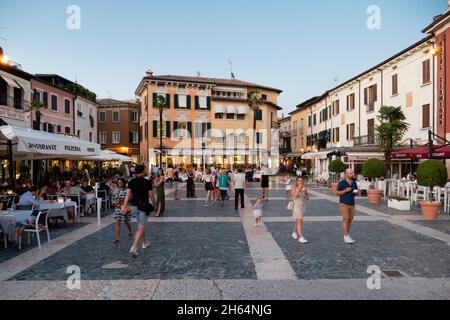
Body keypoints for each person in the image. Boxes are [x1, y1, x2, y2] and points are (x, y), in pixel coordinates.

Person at [121, 165, 154, 257]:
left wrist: (124, 205)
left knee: (140, 226)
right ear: (143, 171)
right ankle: (134, 247)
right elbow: (151, 195)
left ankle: (144, 243)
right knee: (141, 227)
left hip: (134, 207)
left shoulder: (131, 182)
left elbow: (127, 195)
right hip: (143, 207)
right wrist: (154, 204)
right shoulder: (147, 182)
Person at [336, 168, 358, 244]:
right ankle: (345, 236)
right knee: (346, 219)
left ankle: (347, 235)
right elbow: (337, 193)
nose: (352, 174)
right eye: (350, 173)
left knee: (350, 220)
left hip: (352, 203)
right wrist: (345, 190)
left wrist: (356, 192)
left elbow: (356, 191)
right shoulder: (341, 183)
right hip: (344, 203)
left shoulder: (354, 182)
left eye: (352, 173)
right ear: (346, 174)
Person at [112, 178, 132, 244]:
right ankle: (117, 239)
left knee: (126, 221)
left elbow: (130, 199)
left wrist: (124, 203)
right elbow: (113, 200)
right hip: (118, 208)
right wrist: (115, 202)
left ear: (124, 183)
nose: (119, 184)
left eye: (120, 182)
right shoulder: (115, 190)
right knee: (118, 222)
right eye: (118, 182)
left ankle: (130, 231)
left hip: (125, 208)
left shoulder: (127, 190)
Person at [291, 177, 309, 244]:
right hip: (296, 206)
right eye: (299, 180)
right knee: (300, 221)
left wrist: (306, 193)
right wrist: (299, 188)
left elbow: (307, 198)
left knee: (298, 221)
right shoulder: (294, 189)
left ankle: (294, 232)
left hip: (302, 207)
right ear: (296, 182)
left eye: (301, 180)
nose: (300, 181)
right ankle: (301, 237)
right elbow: (295, 196)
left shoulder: (304, 189)